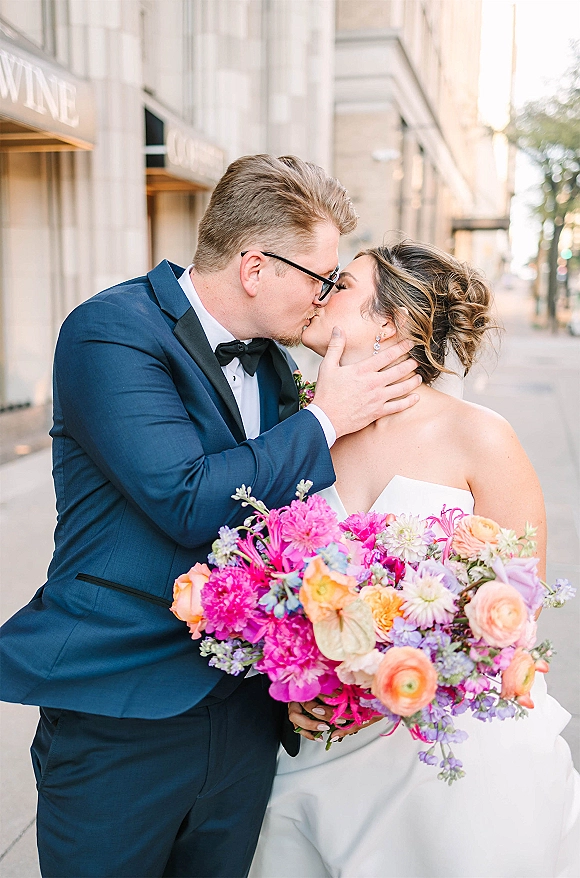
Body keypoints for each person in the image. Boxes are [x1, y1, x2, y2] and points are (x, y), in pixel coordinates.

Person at [0, 156, 422, 878]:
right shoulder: (111, 330)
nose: (323, 299)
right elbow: (188, 498)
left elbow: (293, 522)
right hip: (122, 710)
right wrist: (325, 418)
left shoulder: (277, 364)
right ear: (256, 268)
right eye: (320, 279)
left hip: (247, 714)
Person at [250, 240, 580, 878]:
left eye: (341, 284)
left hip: (452, 756)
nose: (321, 289)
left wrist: (409, 671)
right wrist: (301, 684)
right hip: (322, 745)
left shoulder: (479, 435)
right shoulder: (299, 433)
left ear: (391, 325)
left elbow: (520, 609)